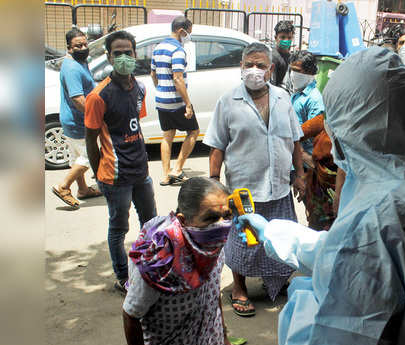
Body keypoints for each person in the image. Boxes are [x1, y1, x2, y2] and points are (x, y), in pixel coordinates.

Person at [237, 46, 405, 345]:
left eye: (335, 118)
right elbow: (340, 252)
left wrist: (303, 301)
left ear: (353, 124)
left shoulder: (377, 215)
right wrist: (273, 232)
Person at [203, 42, 305, 317]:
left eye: (261, 65)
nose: (254, 70)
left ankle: (276, 279)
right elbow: (217, 146)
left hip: (279, 185)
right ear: (241, 67)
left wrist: (300, 175)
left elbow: (294, 140)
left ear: (271, 70)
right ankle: (239, 287)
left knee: (280, 236)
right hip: (244, 188)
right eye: (249, 65)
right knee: (244, 241)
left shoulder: (283, 98)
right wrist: (214, 183)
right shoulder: (228, 101)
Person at [123, 177, 234, 345]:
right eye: (211, 218)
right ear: (183, 220)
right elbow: (131, 315)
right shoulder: (158, 262)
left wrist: (223, 337)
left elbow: (213, 292)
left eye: (227, 216)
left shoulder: (211, 244)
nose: (221, 225)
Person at [85, 30, 158, 294]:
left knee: (151, 222)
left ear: (135, 54)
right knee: (119, 228)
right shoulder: (98, 96)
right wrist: (98, 175)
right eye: (118, 54)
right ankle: (122, 277)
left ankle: (150, 267)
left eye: (128, 52)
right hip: (115, 176)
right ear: (108, 57)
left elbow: (134, 125)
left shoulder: (139, 87)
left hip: (140, 171)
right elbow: (91, 140)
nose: (124, 57)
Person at [51, 28, 101, 208]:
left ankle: (83, 189)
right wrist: (96, 118)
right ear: (69, 48)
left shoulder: (78, 61)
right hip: (78, 120)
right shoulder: (72, 68)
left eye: (85, 44)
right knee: (88, 157)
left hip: (71, 119)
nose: (83, 47)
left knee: (77, 156)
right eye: (78, 45)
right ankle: (63, 186)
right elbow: (78, 98)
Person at [288, 50, 336, 230]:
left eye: (298, 71)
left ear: (310, 73)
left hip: (309, 164)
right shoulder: (296, 95)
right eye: (292, 70)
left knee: (317, 214)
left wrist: (303, 170)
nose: (294, 75)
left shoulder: (314, 99)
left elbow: (316, 136)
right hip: (298, 160)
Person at [151, 16, 199, 186]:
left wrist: (161, 89)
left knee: (167, 136)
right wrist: (187, 103)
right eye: (188, 33)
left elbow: (153, 74)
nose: (189, 36)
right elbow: (178, 78)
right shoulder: (178, 50)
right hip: (176, 101)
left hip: (161, 100)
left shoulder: (158, 47)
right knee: (193, 131)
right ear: (181, 31)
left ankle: (165, 175)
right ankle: (177, 169)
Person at [271, 20, 294, 89]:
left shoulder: (290, 57)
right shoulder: (273, 57)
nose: (286, 40)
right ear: (276, 38)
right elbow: (272, 85)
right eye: (283, 37)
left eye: (289, 38)